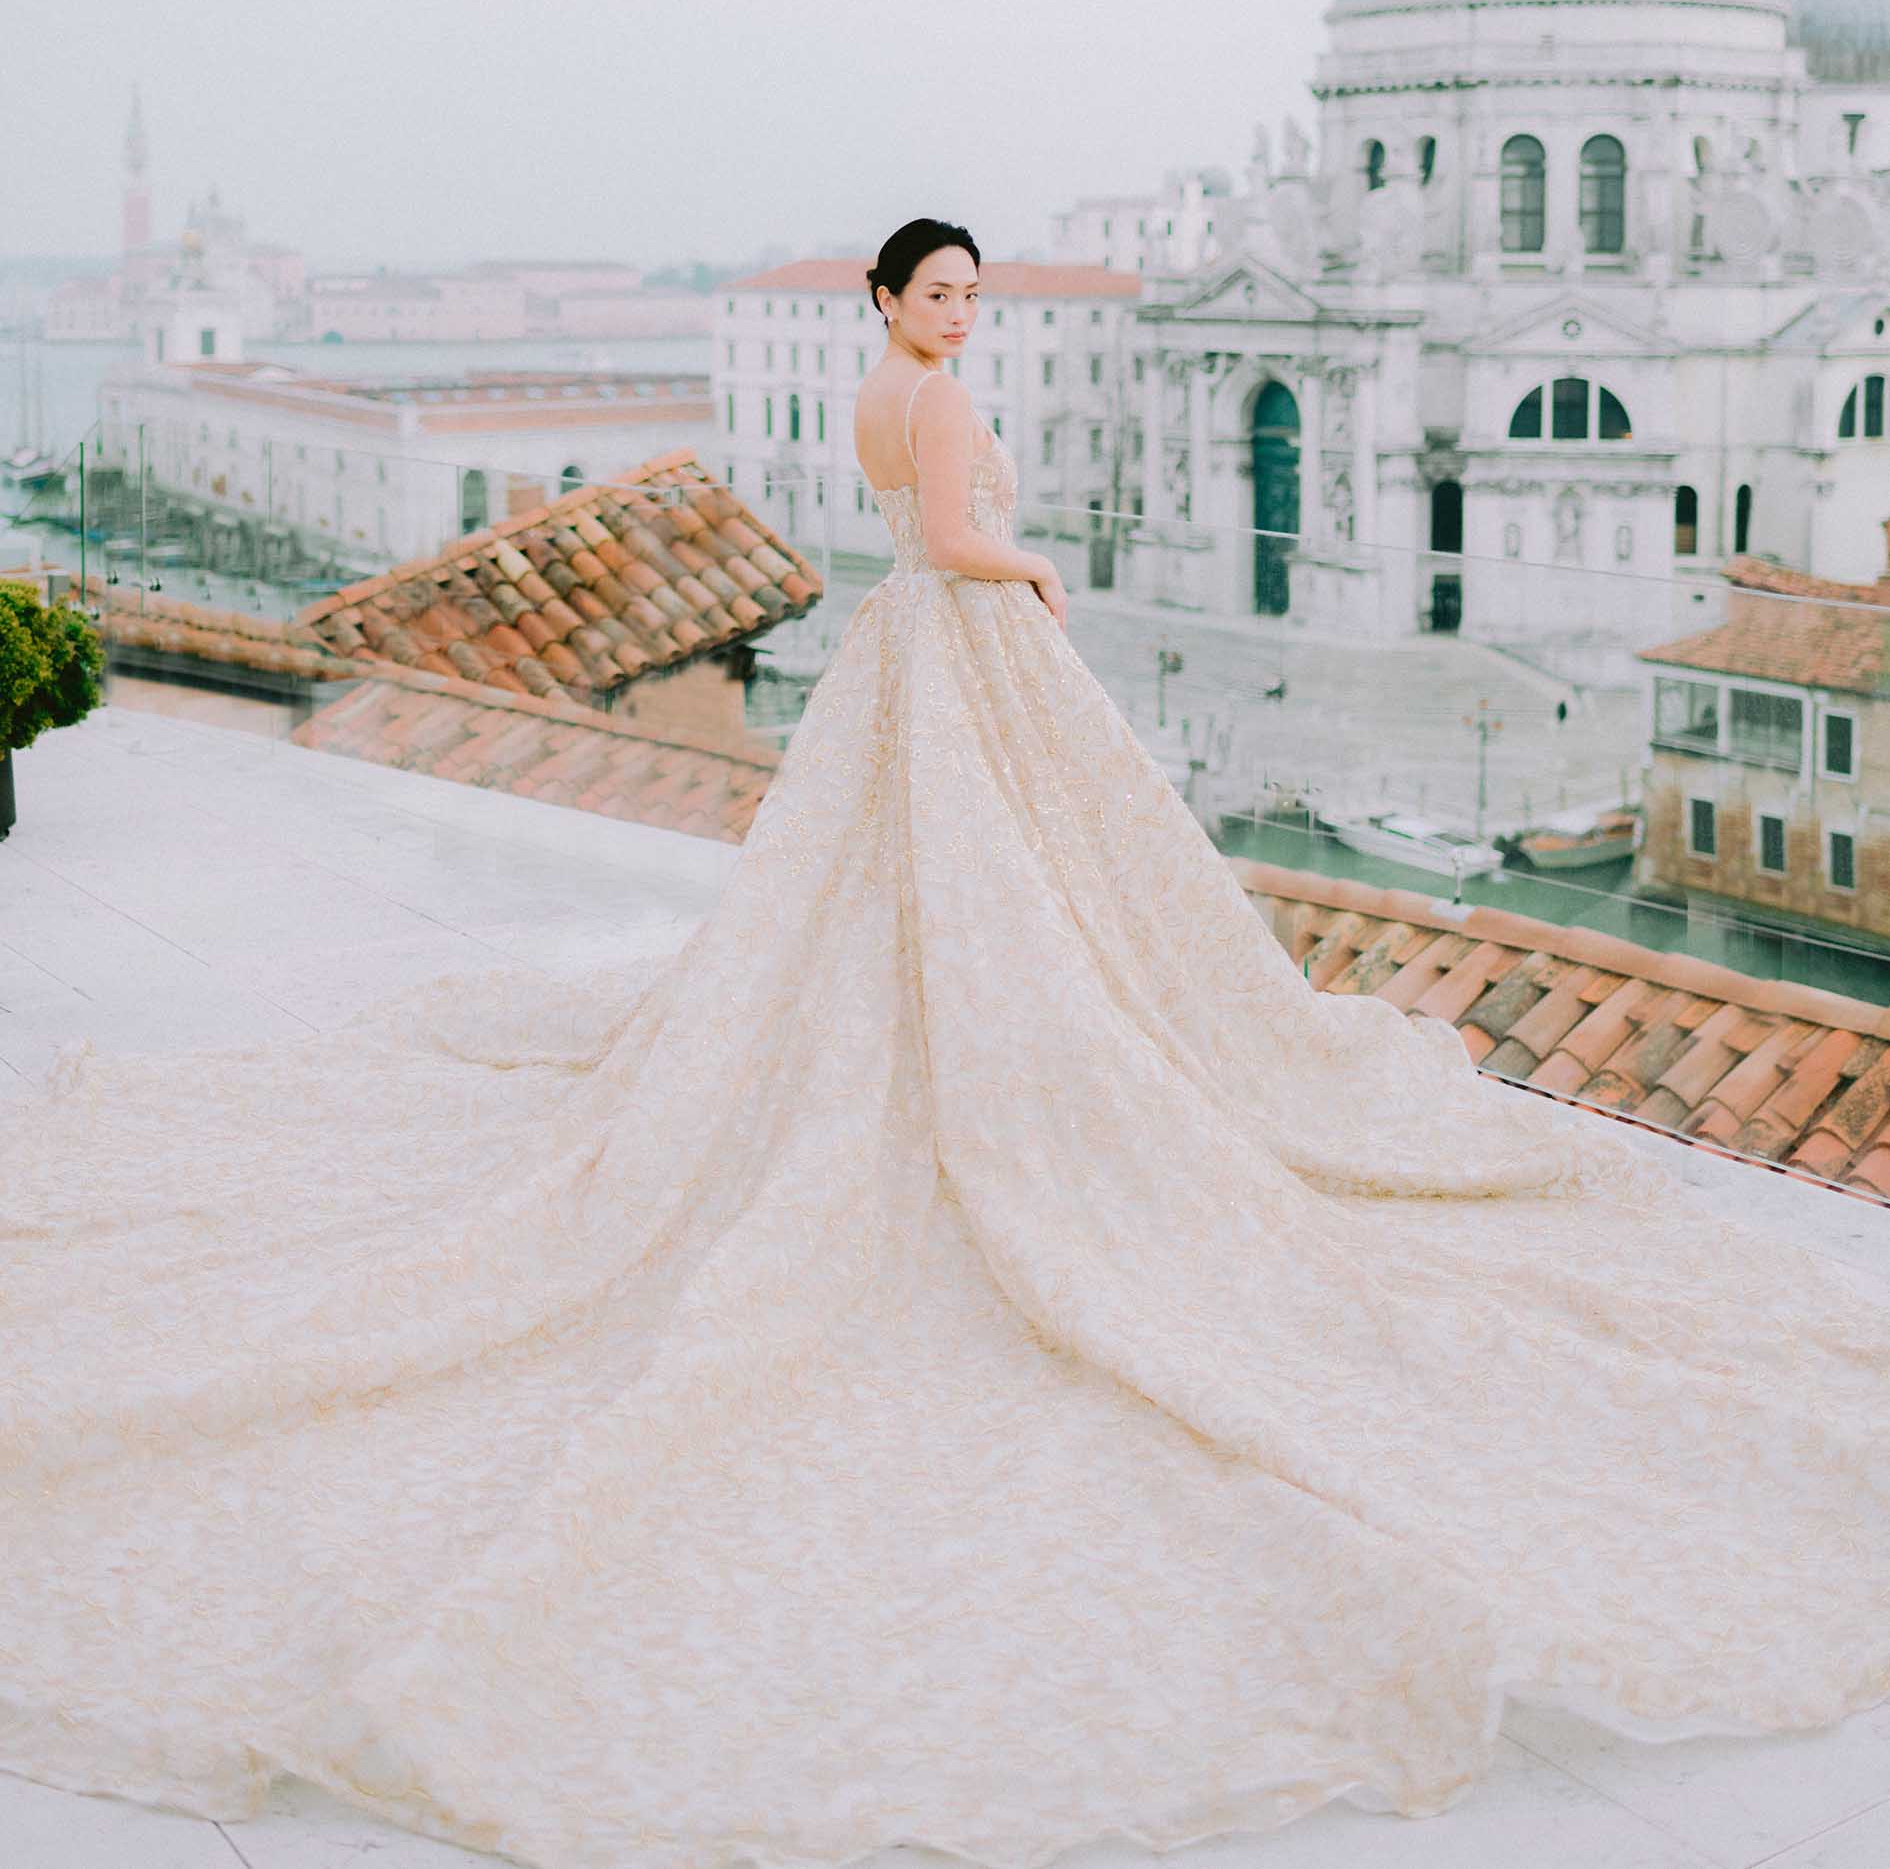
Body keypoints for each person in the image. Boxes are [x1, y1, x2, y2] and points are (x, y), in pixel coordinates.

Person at [4, 212, 1890, 1869]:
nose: (967, 312)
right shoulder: (952, 408)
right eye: (945, 291)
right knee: (1020, 892)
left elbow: (905, 528)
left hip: (891, 652)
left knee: (893, 894)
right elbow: (974, 545)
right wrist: (1043, 574)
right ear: (899, 299)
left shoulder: (868, 397)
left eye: (979, 290)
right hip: (968, 635)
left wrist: (977, 555)